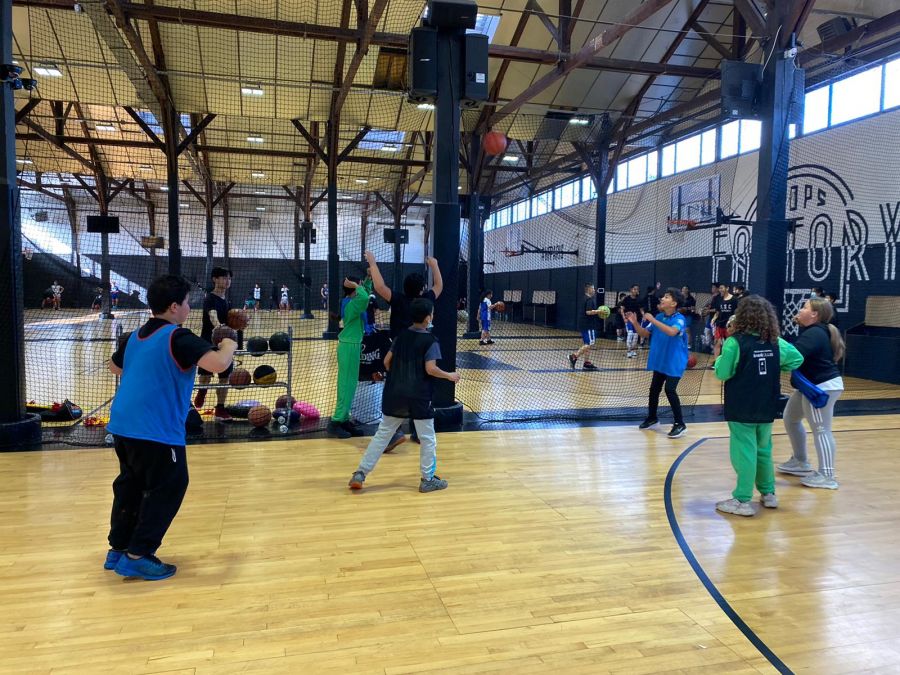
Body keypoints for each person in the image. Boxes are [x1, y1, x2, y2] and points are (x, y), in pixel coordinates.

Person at [105, 275, 236, 580]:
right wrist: (229, 344)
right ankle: (138, 554)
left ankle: (118, 549)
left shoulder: (135, 336)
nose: (189, 308)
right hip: (155, 429)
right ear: (174, 306)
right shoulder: (178, 337)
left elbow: (114, 367)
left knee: (131, 486)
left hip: (123, 425)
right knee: (170, 486)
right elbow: (218, 364)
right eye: (187, 302)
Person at [348, 298, 459, 493]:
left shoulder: (400, 337)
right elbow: (431, 369)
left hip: (394, 393)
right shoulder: (430, 340)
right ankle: (428, 479)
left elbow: (386, 362)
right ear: (428, 318)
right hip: (419, 395)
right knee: (427, 438)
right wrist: (449, 375)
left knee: (383, 435)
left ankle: (360, 473)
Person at [713, 295, 803, 516]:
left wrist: (719, 356)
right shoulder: (775, 342)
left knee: (744, 451)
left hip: (742, 405)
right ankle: (768, 493)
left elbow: (722, 372)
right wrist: (775, 365)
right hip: (766, 404)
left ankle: (742, 500)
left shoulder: (735, 342)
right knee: (763, 450)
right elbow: (797, 359)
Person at [366, 251, 444, 445]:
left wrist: (373, 263)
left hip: (399, 352)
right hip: (421, 355)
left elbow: (379, 287)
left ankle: (394, 432)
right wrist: (434, 265)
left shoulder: (399, 299)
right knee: (420, 392)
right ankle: (419, 432)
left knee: (396, 391)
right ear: (422, 289)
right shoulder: (426, 301)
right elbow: (439, 286)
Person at [777, 297, 845, 490]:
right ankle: (800, 461)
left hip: (820, 388)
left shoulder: (815, 332)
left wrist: (774, 339)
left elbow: (793, 355)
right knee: (791, 418)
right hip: (809, 386)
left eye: (804, 307)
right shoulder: (814, 331)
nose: (800, 310)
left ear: (814, 314)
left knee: (821, 429)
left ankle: (827, 475)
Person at [627, 288, 689, 439]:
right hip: (661, 360)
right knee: (654, 389)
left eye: (667, 297)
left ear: (673, 303)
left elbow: (672, 332)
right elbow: (645, 334)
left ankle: (680, 424)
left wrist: (653, 320)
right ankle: (652, 418)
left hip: (675, 361)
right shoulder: (660, 316)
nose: (662, 299)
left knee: (670, 390)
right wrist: (635, 323)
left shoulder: (679, 319)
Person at [327, 277, 370, 439]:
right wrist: (357, 285)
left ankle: (344, 419)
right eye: (357, 284)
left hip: (352, 345)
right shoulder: (352, 305)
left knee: (350, 385)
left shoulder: (351, 302)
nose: (360, 286)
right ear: (353, 288)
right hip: (349, 347)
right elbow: (364, 298)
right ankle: (336, 421)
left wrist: (368, 280)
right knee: (346, 385)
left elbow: (366, 294)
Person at [194, 267, 234, 421]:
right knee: (205, 375)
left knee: (225, 377)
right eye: (224, 277)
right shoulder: (209, 298)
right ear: (215, 279)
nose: (227, 281)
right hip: (208, 341)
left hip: (226, 343)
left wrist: (240, 324)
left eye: (229, 278)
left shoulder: (228, 301)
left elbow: (231, 321)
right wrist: (219, 328)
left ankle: (220, 409)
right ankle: (202, 391)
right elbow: (212, 315)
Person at [569, 283, 603, 371]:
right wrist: (599, 311)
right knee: (589, 344)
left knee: (587, 344)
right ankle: (574, 356)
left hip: (584, 325)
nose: (594, 290)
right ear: (589, 289)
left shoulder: (584, 298)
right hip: (588, 325)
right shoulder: (589, 300)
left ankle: (586, 363)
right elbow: (588, 312)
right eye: (593, 288)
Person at [710, 282, 736, 362]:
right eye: (719, 288)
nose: (720, 290)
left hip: (729, 326)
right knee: (716, 342)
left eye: (722, 288)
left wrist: (733, 322)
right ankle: (716, 362)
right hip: (719, 324)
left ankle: (727, 361)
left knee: (728, 344)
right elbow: (718, 311)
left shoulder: (734, 299)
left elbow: (737, 313)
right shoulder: (719, 299)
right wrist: (714, 318)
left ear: (727, 288)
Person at [619, 284, 642, 359]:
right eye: (634, 289)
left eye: (637, 289)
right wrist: (624, 318)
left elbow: (641, 310)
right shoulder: (626, 299)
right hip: (629, 320)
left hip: (637, 321)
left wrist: (643, 315)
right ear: (631, 289)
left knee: (635, 336)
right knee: (630, 334)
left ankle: (633, 350)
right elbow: (622, 309)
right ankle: (628, 351)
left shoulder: (639, 299)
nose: (636, 290)